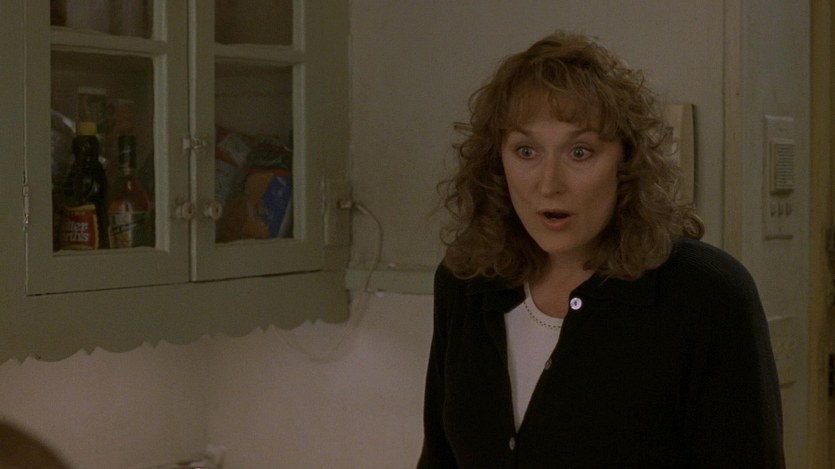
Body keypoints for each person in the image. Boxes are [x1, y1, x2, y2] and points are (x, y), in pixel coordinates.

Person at [418, 31, 785, 468]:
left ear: (626, 162)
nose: (549, 184)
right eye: (526, 150)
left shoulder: (706, 295)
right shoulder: (466, 281)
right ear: (498, 162)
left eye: (580, 152)